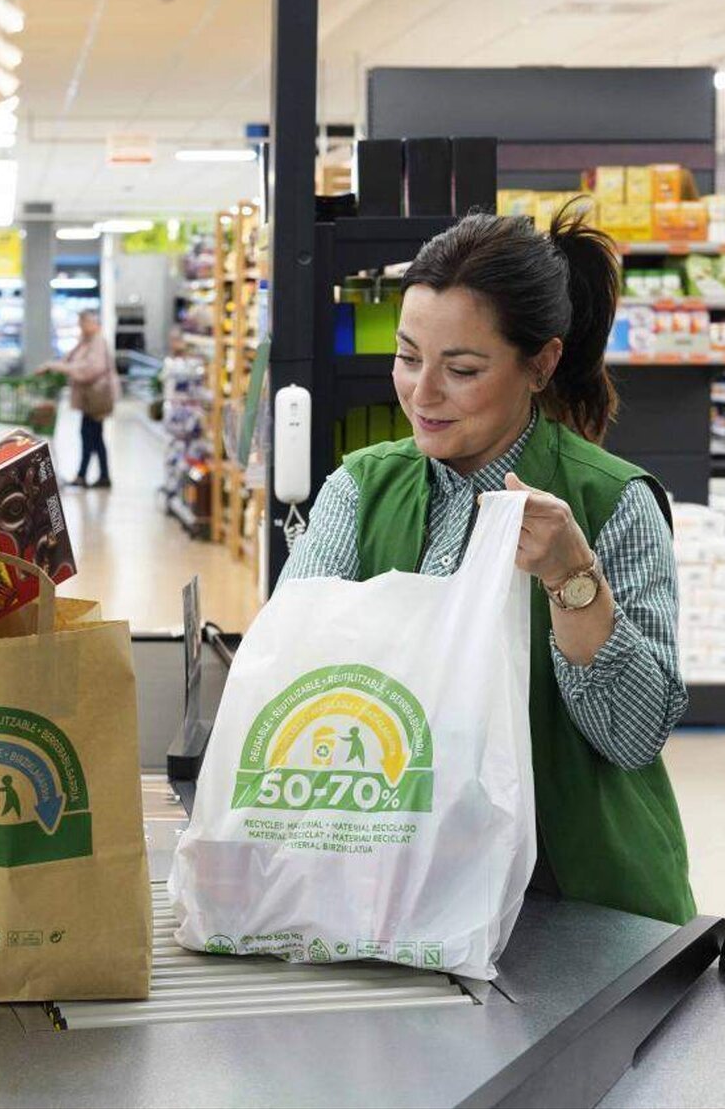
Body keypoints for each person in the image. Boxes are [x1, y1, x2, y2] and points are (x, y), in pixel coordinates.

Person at [282, 205, 696, 926]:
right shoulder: (358, 491)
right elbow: (294, 682)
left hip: (577, 905)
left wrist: (574, 581)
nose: (422, 393)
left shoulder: (612, 503)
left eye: (462, 369)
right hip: (401, 891)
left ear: (540, 363)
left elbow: (631, 738)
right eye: (409, 357)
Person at [46, 309, 118, 488]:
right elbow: (70, 360)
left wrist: (62, 369)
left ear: (92, 323)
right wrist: (53, 366)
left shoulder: (98, 342)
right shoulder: (85, 341)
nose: (81, 326)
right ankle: (93, 475)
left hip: (97, 398)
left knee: (91, 436)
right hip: (89, 399)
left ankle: (90, 475)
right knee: (92, 436)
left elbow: (91, 369)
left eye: (83, 323)